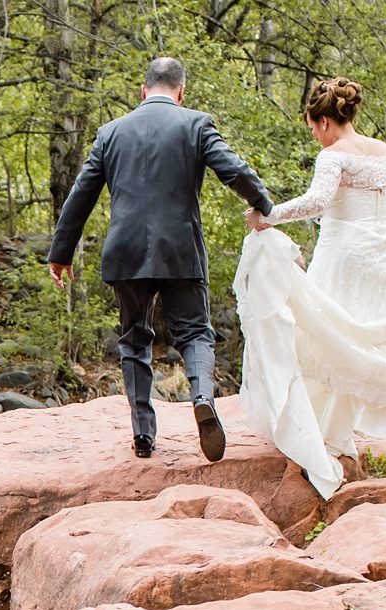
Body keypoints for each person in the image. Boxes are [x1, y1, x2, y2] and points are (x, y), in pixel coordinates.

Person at [48, 56, 275, 461]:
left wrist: (61, 253)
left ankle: (143, 437)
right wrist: (264, 206)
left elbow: (80, 195)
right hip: (179, 250)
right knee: (195, 333)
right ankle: (202, 396)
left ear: (143, 90)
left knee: (134, 339)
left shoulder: (110, 132)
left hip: (126, 251)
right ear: (181, 91)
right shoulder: (196, 124)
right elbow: (233, 171)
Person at [235, 77, 386, 497]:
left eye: (311, 127)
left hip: (345, 254)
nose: (313, 134)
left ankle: (322, 438)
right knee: (385, 341)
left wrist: (267, 216)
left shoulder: (333, 156)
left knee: (326, 338)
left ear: (324, 121)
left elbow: (316, 202)